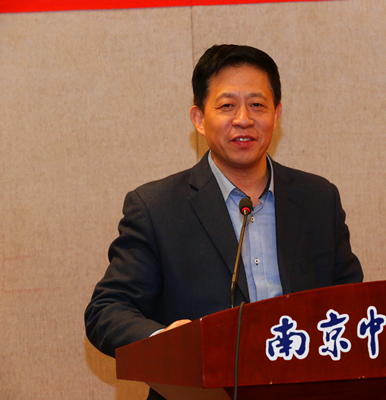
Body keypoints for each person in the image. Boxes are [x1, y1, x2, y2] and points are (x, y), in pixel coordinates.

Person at [84, 44, 363, 400]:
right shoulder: (156, 207)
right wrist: (165, 341)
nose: (243, 119)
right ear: (199, 119)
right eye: (227, 105)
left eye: (257, 105)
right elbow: (106, 311)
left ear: (277, 114)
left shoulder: (318, 198)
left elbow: (351, 304)